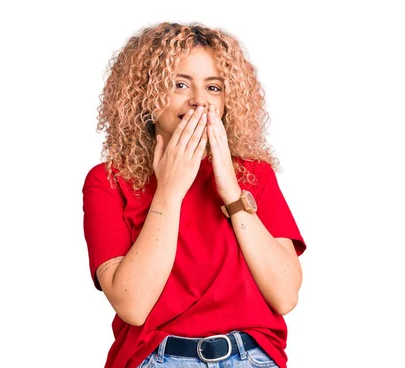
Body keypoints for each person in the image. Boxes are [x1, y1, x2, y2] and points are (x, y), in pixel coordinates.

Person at [82, 22, 306, 368]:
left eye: (213, 87)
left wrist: (231, 190)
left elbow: (285, 295)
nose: (199, 100)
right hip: (156, 358)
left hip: (251, 356)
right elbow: (133, 305)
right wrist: (169, 192)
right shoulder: (109, 181)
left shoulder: (254, 175)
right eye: (179, 84)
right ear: (146, 93)